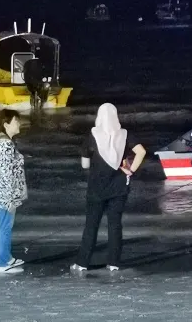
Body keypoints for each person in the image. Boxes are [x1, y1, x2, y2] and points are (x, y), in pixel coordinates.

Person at [71, 103, 146, 272]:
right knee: (115, 225)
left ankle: (82, 263)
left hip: (96, 188)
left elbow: (84, 165)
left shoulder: (93, 135)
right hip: (119, 188)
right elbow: (141, 152)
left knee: (91, 225)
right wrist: (130, 170)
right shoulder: (125, 134)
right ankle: (114, 262)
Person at [0, 109, 28, 273]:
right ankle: (1, 264)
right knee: (4, 228)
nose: (19, 123)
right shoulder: (5, 144)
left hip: (3, 194)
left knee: (6, 227)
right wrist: (10, 199)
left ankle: (7, 257)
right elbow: (5, 174)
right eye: (16, 121)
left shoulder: (4, 141)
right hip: (4, 195)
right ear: (6, 124)